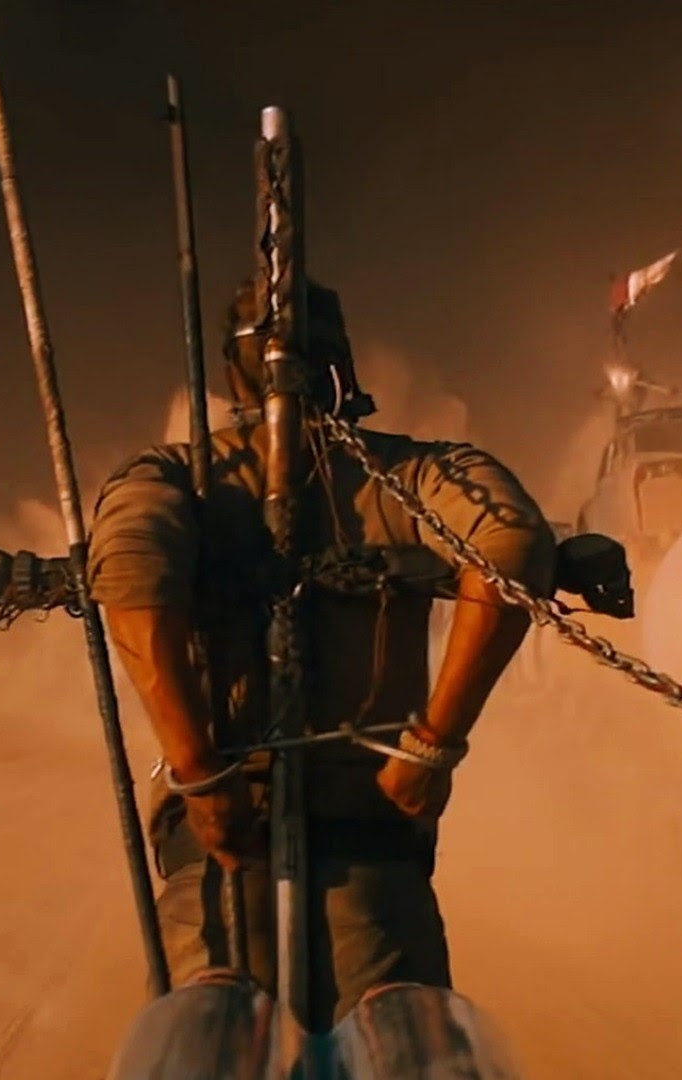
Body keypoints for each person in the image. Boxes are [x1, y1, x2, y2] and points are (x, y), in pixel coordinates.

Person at [87, 276, 555, 1032]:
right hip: (371, 818)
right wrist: (432, 745)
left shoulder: (167, 475)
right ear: (344, 363)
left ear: (232, 373)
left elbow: (132, 570)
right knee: (401, 1029)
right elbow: (516, 545)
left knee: (206, 1027)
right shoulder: (420, 474)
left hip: (221, 832)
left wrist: (201, 774)